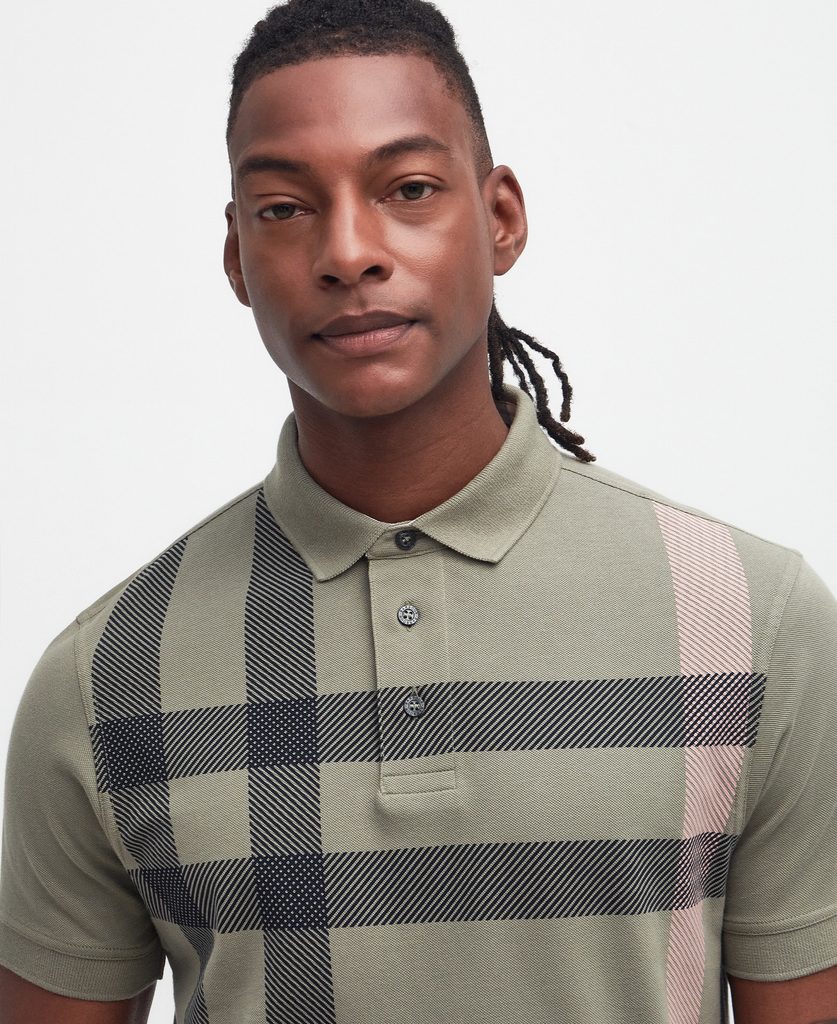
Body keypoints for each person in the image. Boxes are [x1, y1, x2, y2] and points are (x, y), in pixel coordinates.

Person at [1, 0, 836, 1021]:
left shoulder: (753, 617)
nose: (349, 251)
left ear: (502, 217)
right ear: (235, 258)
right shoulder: (102, 677)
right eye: (283, 207)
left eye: (407, 189)